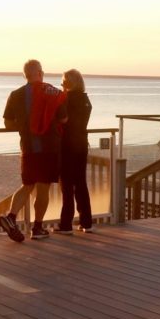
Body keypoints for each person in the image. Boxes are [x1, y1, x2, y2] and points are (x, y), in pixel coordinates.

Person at [0, 59, 68, 242]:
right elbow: (64, 119)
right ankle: (37, 227)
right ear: (40, 73)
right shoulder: (53, 93)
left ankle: (11, 217)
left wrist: (25, 126)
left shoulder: (15, 95)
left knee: (28, 184)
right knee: (43, 188)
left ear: (25, 75)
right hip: (49, 148)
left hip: (28, 147)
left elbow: (7, 123)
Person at [57, 68, 93, 234]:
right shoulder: (85, 100)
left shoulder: (67, 99)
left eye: (64, 81)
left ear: (69, 83)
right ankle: (86, 222)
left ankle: (66, 224)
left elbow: (61, 119)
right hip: (81, 144)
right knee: (80, 183)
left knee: (67, 185)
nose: (62, 84)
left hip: (67, 145)